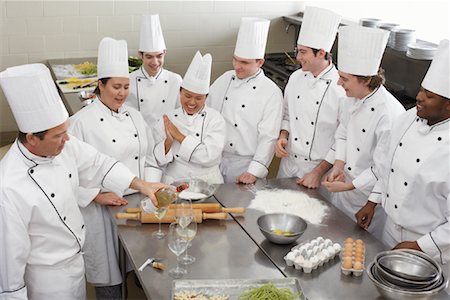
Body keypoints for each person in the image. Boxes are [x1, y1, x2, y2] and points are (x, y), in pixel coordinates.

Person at [0, 63, 165, 300]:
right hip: (47, 282)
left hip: (76, 266)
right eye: (59, 135)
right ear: (32, 139)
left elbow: (98, 163)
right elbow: (8, 268)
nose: (67, 139)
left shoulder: (63, 145)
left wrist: (141, 184)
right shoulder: (8, 187)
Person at [68, 37, 161, 299]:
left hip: (138, 205)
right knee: (110, 283)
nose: (122, 93)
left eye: (125, 87)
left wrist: (150, 187)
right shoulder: (81, 123)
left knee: (141, 269)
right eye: (116, 87)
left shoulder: (134, 115)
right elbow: (68, 176)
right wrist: (96, 196)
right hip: (102, 211)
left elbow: (150, 156)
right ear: (100, 85)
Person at [356, 39, 450, 264]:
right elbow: (388, 166)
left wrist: (419, 245)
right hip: (389, 228)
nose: (419, 97)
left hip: (432, 246)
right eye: (421, 90)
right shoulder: (407, 119)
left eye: (429, 96)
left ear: (448, 105)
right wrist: (372, 201)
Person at [322, 25, 405, 240]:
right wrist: (339, 165)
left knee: (359, 249)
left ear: (366, 80)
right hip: (343, 191)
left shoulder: (389, 113)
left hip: (367, 198)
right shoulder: (351, 99)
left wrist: (351, 186)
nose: (339, 83)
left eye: (345, 79)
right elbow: (342, 133)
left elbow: (383, 168)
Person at [275, 6, 346, 189]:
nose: (298, 57)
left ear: (321, 53)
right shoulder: (296, 77)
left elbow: (343, 139)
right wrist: (283, 136)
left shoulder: (341, 88)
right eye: (298, 50)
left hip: (319, 171)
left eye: (303, 52)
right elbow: (288, 115)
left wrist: (317, 172)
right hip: (288, 164)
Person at [207, 17, 283, 184]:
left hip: (245, 165)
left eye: (244, 62)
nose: (236, 66)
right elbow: (206, 112)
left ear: (260, 62)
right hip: (215, 160)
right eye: (235, 59)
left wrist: (254, 171)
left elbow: (268, 137)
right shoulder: (226, 78)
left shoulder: (271, 92)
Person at [154, 51, 226, 184]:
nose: (192, 102)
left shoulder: (216, 119)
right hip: (176, 183)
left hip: (209, 182)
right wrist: (168, 142)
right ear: (180, 92)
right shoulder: (168, 118)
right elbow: (157, 158)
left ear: (206, 97)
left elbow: (209, 156)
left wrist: (179, 136)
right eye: (187, 96)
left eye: (198, 98)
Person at [126, 14, 182, 128]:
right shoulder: (129, 80)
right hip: (139, 138)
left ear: (165, 53)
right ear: (140, 55)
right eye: (149, 57)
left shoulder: (175, 80)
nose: (155, 62)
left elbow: (181, 113)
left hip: (167, 138)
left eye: (159, 56)